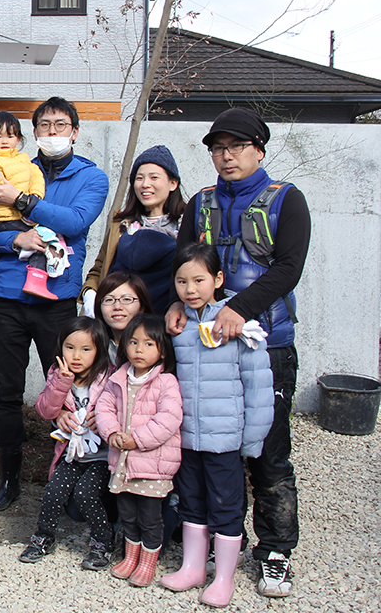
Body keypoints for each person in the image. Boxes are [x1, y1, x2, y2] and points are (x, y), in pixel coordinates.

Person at [166, 107, 309, 598]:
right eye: (217, 149)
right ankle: (210, 542)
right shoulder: (201, 202)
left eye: (236, 147)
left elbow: (288, 266)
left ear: (258, 150)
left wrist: (239, 308)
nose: (225, 156)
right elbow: (181, 262)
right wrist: (173, 307)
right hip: (204, 346)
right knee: (203, 445)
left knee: (268, 448)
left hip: (264, 342)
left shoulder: (285, 200)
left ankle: (274, 550)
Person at [0, 96, 109, 512]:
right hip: (10, 296)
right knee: (8, 392)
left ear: (74, 131)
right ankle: (9, 479)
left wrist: (22, 201)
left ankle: (71, 477)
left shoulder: (91, 177)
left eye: (60, 125)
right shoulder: (13, 165)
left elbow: (74, 222)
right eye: (44, 126)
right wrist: (16, 238)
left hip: (57, 298)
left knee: (69, 386)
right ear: (34, 132)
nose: (52, 132)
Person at [161, 243, 273, 607]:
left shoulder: (238, 325)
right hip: (188, 437)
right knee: (191, 502)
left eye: (198, 280)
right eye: (181, 281)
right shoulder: (177, 327)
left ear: (218, 280)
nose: (190, 289)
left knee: (226, 506)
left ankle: (224, 577)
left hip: (225, 440)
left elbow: (259, 387)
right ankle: (193, 567)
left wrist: (252, 440)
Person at [19, 316, 113, 569]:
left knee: (85, 494)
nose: (76, 356)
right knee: (53, 491)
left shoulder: (109, 378)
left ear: (99, 350)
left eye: (86, 349)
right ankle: (43, 537)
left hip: (102, 459)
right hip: (70, 455)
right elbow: (45, 409)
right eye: (70, 348)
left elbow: (121, 410)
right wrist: (61, 384)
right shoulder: (57, 374)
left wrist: (103, 418)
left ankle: (102, 541)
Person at [95, 315, 182, 587]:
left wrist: (137, 440)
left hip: (152, 466)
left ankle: (147, 562)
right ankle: (130, 557)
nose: (139, 350)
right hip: (122, 463)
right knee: (128, 513)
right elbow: (104, 408)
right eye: (133, 342)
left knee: (150, 517)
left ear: (162, 350)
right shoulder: (118, 378)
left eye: (148, 344)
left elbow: (168, 420)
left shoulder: (166, 382)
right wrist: (111, 433)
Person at [0, 111, 62, 312]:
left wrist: (34, 196)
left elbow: (36, 176)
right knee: (40, 240)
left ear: (18, 139)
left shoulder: (25, 160)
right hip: (2, 215)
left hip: (17, 214)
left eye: (10, 136)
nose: (4, 141)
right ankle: (36, 280)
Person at [82, 145, 185, 315]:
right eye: (139, 178)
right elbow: (100, 267)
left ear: (173, 183)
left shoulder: (185, 224)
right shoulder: (122, 224)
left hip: (164, 319)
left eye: (154, 177)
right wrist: (90, 293)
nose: (145, 185)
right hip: (118, 318)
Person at [94, 271, 154, 364]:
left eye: (127, 299)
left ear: (142, 307)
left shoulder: (156, 345)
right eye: (109, 300)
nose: (117, 306)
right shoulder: (92, 346)